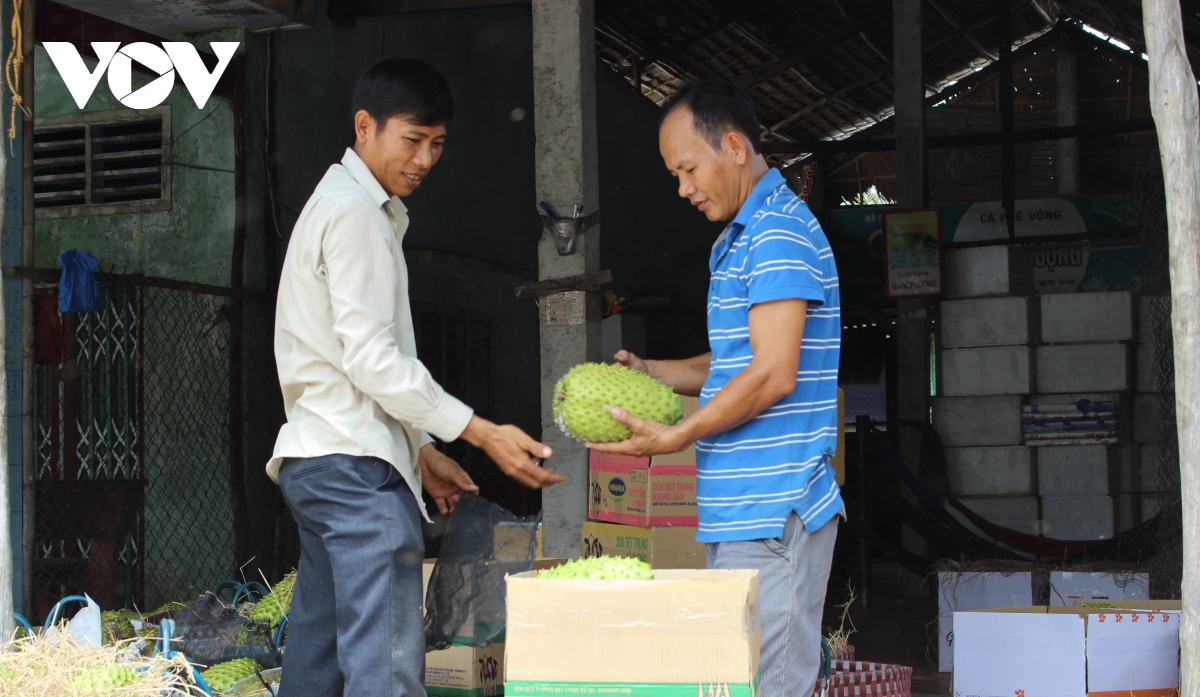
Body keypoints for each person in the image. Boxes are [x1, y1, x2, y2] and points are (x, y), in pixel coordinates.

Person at [267, 58, 564, 696]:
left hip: (319, 463)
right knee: (389, 669)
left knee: (316, 666)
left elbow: (352, 361)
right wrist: (477, 431)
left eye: (437, 144)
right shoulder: (355, 215)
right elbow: (372, 360)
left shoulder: (347, 205)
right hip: (354, 476)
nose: (425, 159)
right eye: (412, 140)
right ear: (365, 126)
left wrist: (421, 450)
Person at [589, 79, 843, 697]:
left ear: (732, 145)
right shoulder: (743, 239)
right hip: (742, 515)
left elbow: (774, 374)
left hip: (774, 511)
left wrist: (678, 433)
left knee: (768, 688)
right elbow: (738, 365)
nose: (683, 188)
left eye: (687, 169)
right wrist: (654, 373)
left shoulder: (778, 233)